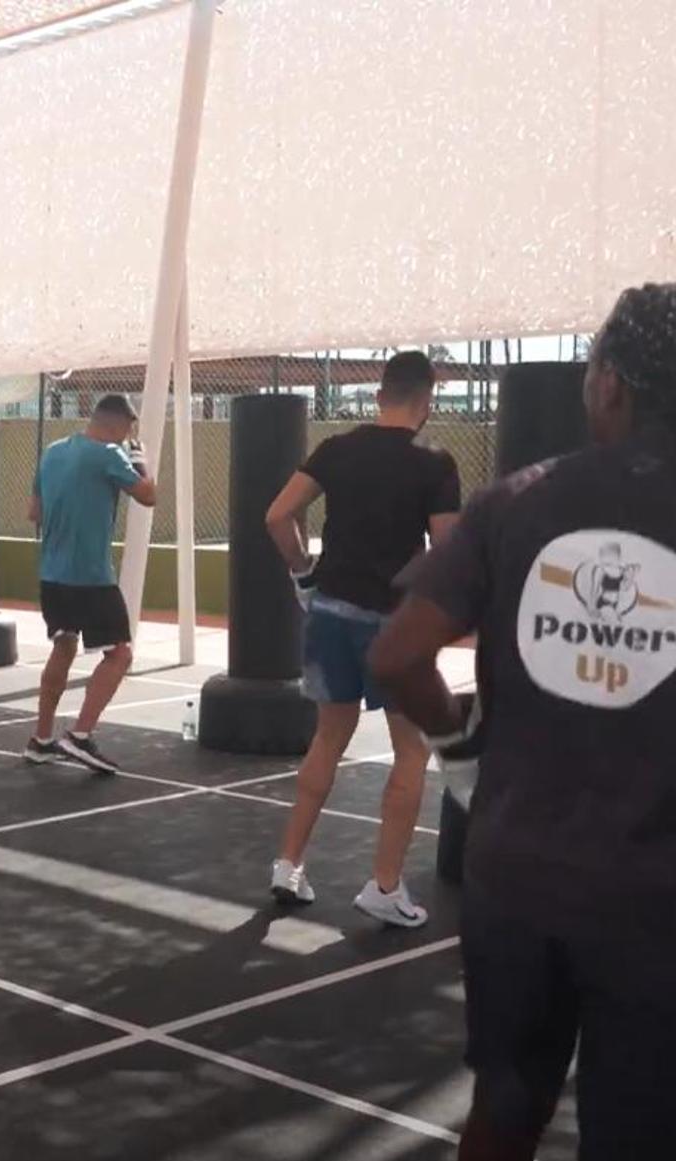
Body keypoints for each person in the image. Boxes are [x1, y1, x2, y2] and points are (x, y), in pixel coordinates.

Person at [369, 280, 676, 1160]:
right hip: (665, 908)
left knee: (503, 1107)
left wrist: (459, 746)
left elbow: (398, 656)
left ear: (609, 384)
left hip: (514, 886)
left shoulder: (513, 501)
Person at [262, 350, 462, 927]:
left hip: (330, 610)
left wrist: (302, 572)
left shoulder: (337, 448)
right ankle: (385, 885)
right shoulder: (434, 461)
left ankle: (287, 863)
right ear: (427, 403)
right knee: (411, 751)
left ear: (379, 395)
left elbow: (277, 516)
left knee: (328, 737)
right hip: (392, 624)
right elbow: (448, 551)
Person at [25, 393, 158, 774]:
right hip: (90, 577)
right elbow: (148, 495)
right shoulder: (109, 454)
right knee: (119, 655)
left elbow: (34, 512)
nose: (127, 437)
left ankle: (41, 740)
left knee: (63, 646)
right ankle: (80, 736)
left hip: (52, 575)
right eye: (128, 431)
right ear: (119, 426)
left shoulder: (53, 452)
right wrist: (139, 460)